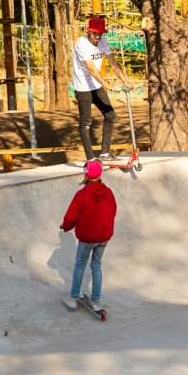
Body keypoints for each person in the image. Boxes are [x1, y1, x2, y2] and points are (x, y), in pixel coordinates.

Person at [73, 17, 136, 162]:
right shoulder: (81, 44)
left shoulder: (103, 42)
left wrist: (127, 82)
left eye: (100, 34)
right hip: (83, 86)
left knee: (110, 115)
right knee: (86, 121)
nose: (97, 37)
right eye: (94, 33)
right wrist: (109, 86)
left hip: (96, 85)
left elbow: (113, 63)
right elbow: (92, 69)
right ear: (88, 31)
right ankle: (91, 159)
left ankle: (104, 153)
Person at [61, 160, 117, 311]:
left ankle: (73, 297)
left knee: (80, 265)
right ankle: (96, 301)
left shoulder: (82, 194)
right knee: (96, 266)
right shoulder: (109, 192)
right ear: (101, 174)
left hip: (87, 238)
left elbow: (72, 217)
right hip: (104, 237)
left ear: (85, 175)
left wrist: (65, 227)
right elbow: (113, 211)